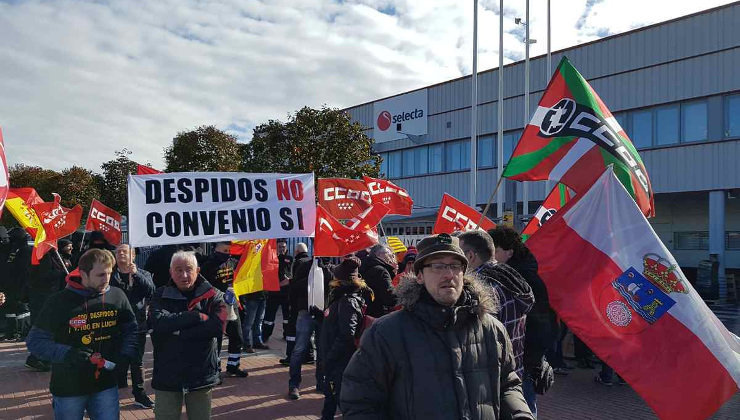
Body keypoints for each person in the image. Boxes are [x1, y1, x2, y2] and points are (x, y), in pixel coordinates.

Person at [340, 233, 534, 419]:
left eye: (455, 265)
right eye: (437, 266)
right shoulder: (386, 333)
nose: (448, 274)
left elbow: (508, 383)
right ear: (420, 276)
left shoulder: (491, 329)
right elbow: (359, 401)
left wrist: (520, 414)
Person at [26, 249, 139, 420]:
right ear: (83, 274)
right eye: (100, 274)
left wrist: (124, 354)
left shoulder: (117, 295)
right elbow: (35, 341)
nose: (106, 279)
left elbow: (131, 330)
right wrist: (68, 353)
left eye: (109, 273)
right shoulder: (58, 301)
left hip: (105, 383)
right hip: (69, 386)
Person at [488, 226, 559, 418]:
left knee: (523, 408)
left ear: (509, 252)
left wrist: (532, 357)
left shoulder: (519, 279)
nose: (490, 255)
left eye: (494, 250)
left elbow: (542, 322)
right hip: (524, 356)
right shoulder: (517, 274)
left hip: (524, 358)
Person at [148, 251, 227, 420]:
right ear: (170, 272)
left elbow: (217, 326)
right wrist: (195, 316)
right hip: (167, 374)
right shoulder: (160, 294)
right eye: (178, 270)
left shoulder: (213, 295)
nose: (184, 275)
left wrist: (178, 331)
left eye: (188, 269)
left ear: (197, 271)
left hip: (201, 375)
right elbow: (158, 323)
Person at [459, 230, 535, 378]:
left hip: (491, 378)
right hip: (515, 371)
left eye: (458, 256)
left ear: (470, 256)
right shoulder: (511, 278)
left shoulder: (480, 288)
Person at [318, 256, 372, 419]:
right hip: (337, 361)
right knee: (331, 397)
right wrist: (321, 317)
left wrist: (330, 357)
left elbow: (346, 335)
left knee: (342, 400)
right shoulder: (343, 298)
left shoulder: (347, 301)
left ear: (341, 280)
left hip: (340, 362)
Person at [110, 244, 156, 408]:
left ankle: (140, 394)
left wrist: (135, 275)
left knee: (137, 361)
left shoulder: (143, 274)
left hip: (137, 325)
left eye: (124, 251)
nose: (121, 253)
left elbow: (151, 291)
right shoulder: (110, 275)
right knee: (115, 360)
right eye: (118, 251)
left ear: (133, 256)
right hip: (114, 326)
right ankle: (110, 394)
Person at [200, 242, 248, 377]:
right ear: (216, 248)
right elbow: (204, 286)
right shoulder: (208, 265)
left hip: (232, 305)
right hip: (216, 306)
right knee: (217, 339)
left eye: (228, 250)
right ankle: (215, 370)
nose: (227, 252)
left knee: (237, 336)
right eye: (224, 250)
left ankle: (233, 365)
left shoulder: (233, 262)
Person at [25, 243, 69, 371]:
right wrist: (61, 272)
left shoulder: (53, 255)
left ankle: (40, 358)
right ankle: (36, 358)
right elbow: (43, 276)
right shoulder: (43, 256)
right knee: (43, 328)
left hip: (47, 296)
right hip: (42, 297)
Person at [1, 228, 32, 342]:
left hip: (21, 286)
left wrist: (22, 286)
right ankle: (11, 332)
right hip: (10, 286)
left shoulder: (25, 250)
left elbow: (23, 271)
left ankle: (25, 332)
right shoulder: (12, 249)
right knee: (10, 309)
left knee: (22, 309)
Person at [263, 239, 292, 343]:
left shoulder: (290, 259)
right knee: (269, 317)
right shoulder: (271, 258)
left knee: (287, 316)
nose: (281, 249)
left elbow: (292, 274)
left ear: (286, 248)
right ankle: (265, 335)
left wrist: (289, 280)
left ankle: (286, 334)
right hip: (273, 292)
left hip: (286, 293)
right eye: (279, 247)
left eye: (283, 247)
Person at [358, 244, 396, 317]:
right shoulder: (381, 271)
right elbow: (390, 298)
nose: (392, 258)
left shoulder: (363, 266)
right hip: (377, 314)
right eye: (390, 254)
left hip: (363, 312)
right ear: (379, 255)